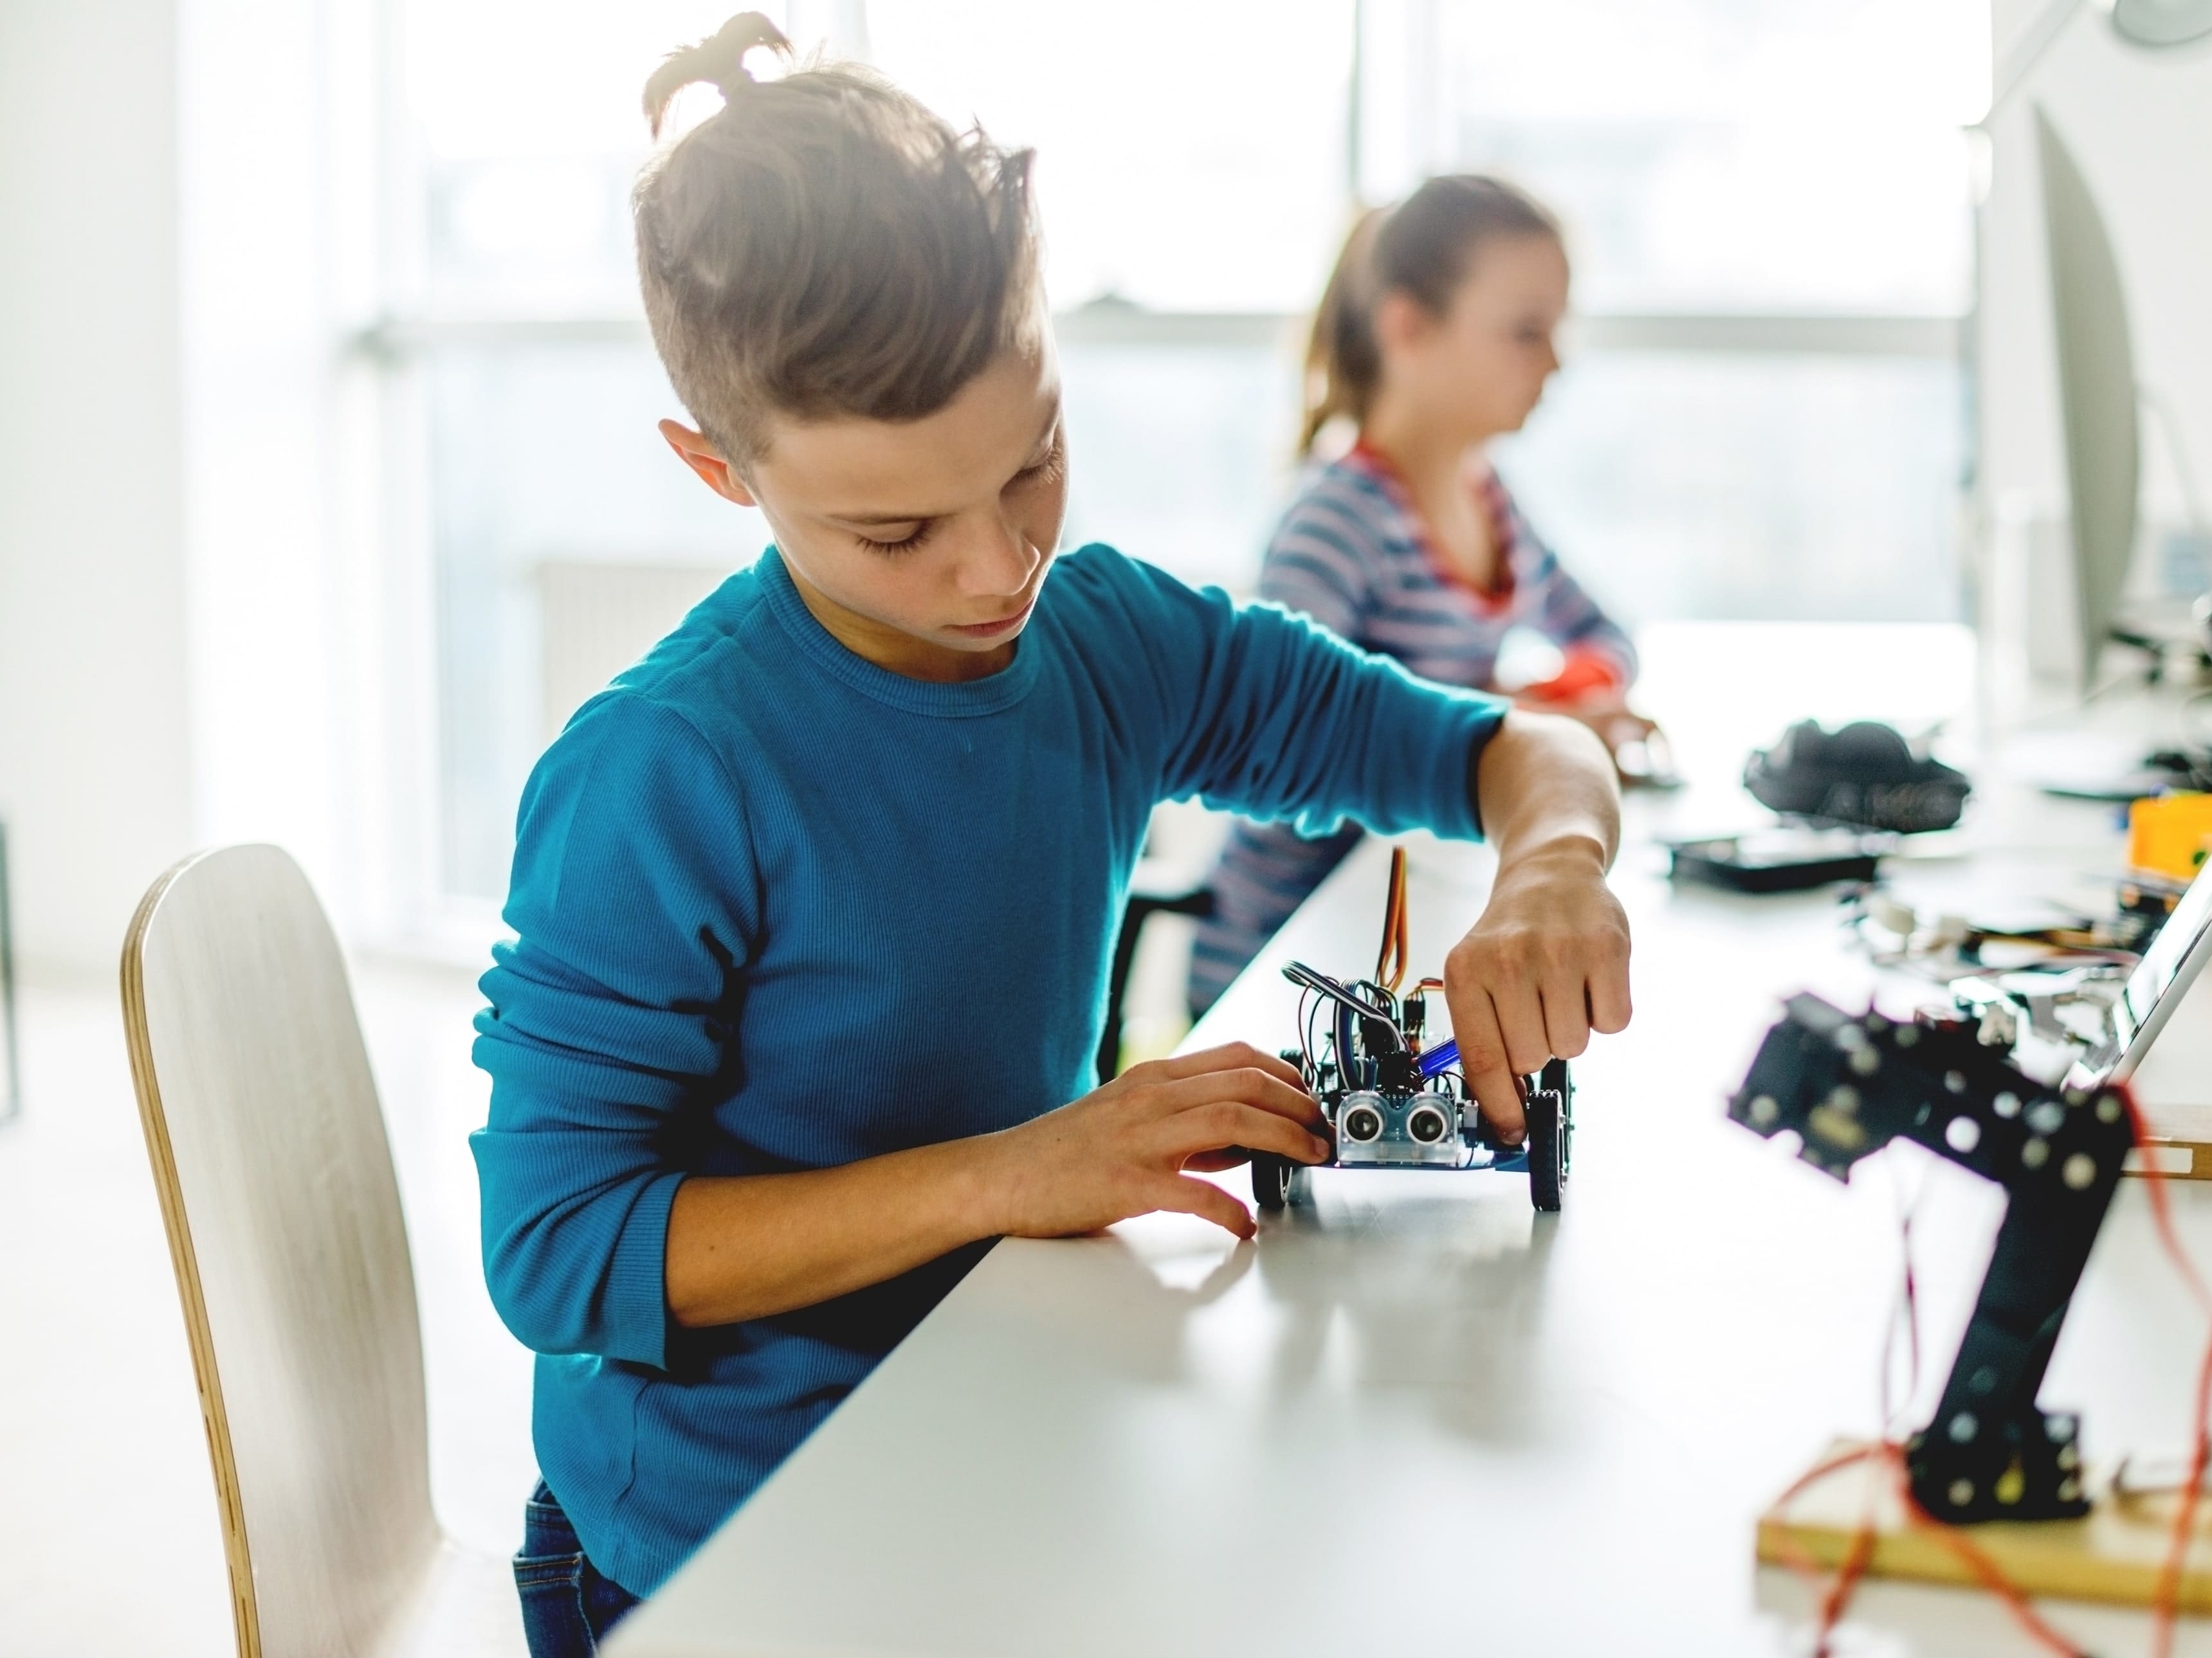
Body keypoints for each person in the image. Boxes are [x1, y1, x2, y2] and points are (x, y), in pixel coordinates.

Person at [468, 17, 1633, 1655]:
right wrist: (1014, 1168)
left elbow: (1517, 749)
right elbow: (554, 1250)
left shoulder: (1108, 642)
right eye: (893, 527)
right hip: (718, 1547)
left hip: (997, 1386)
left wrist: (1553, 868)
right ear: (716, 469)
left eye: (1033, 463)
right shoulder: (668, 769)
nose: (991, 567)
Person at [1188, 176, 1649, 1017]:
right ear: (1407, 327)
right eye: (1525, 331)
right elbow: (1277, 738)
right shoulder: (1338, 519)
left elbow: (1603, 633)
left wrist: (1558, 699)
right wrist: (1503, 726)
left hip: (1409, 912)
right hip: (1295, 964)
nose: (1554, 361)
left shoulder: (1491, 500)